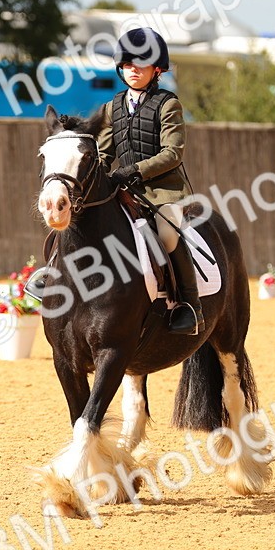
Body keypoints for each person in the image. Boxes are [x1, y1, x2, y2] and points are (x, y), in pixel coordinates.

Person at [98, 27, 203, 336]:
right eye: (128, 64)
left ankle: (189, 305)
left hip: (162, 192)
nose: (133, 70)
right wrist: (97, 175)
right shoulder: (112, 107)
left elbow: (173, 153)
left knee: (168, 235)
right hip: (122, 190)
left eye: (140, 65)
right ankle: (51, 276)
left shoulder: (168, 104)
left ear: (156, 69)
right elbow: (104, 153)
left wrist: (136, 171)